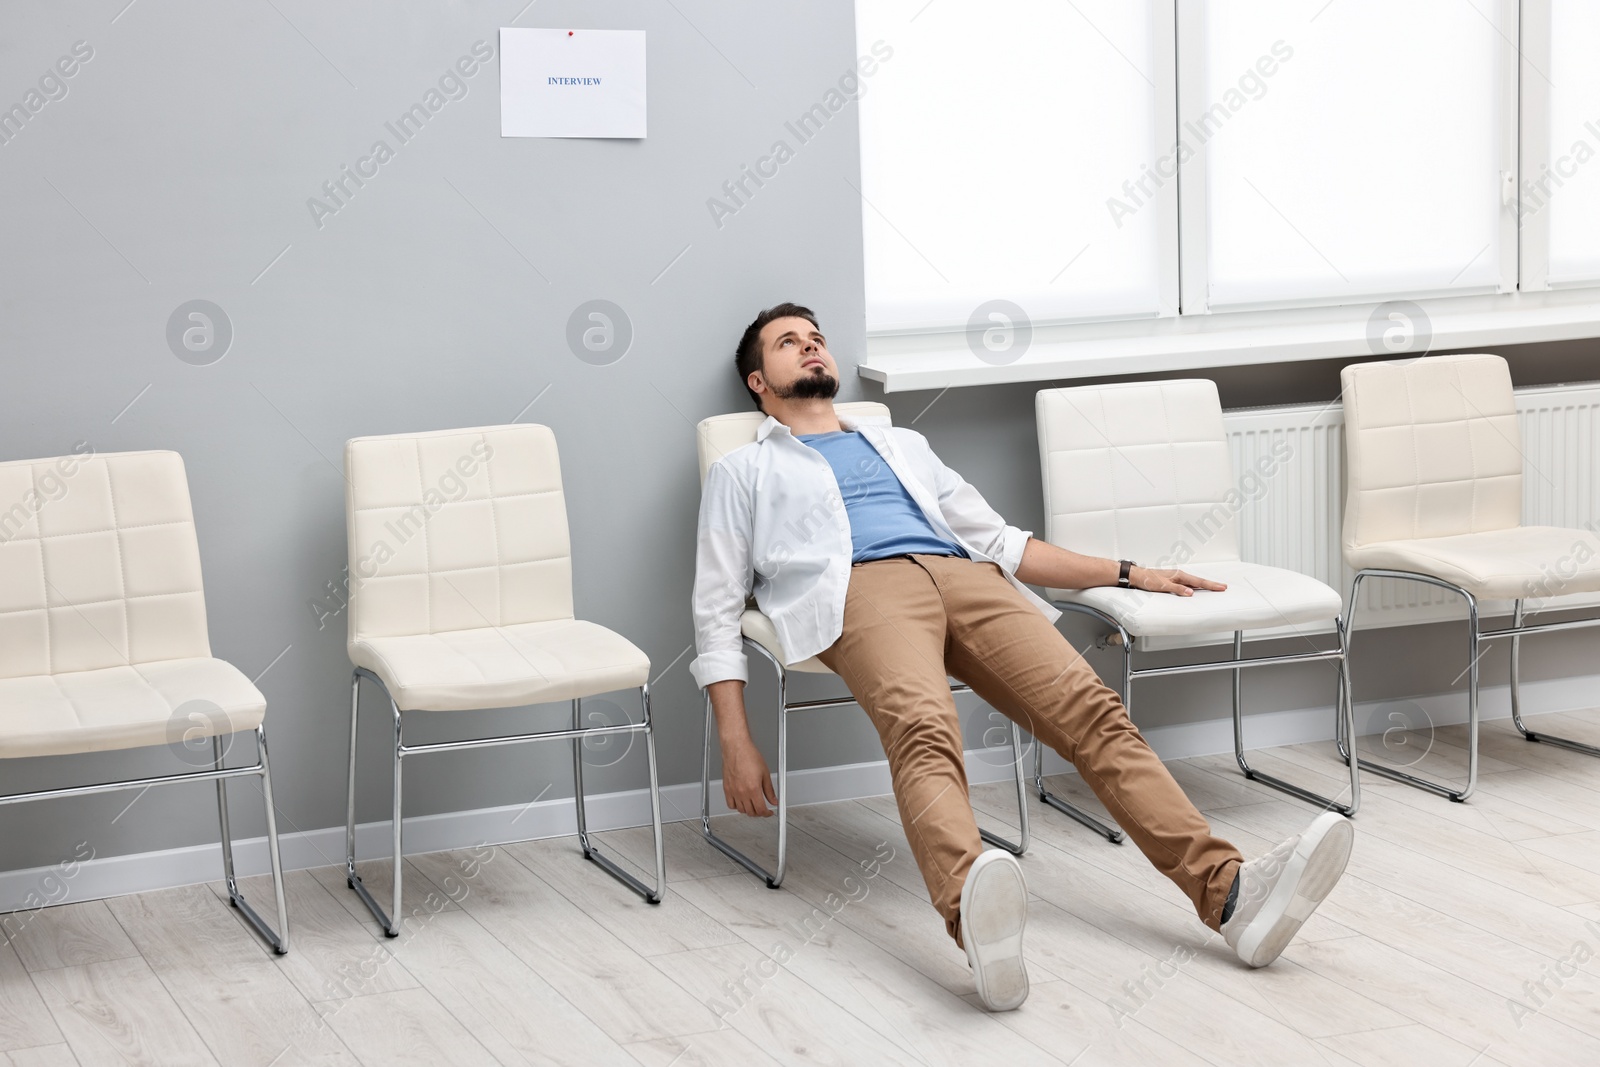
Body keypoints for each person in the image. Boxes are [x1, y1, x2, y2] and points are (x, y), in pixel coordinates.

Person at [690, 302, 1354, 1012]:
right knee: (923, 728)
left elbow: (1008, 544)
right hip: (858, 589)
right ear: (759, 381)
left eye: (817, 338)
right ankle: (974, 918)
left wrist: (1130, 571)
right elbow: (716, 607)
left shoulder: (903, 444)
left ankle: (1231, 897)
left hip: (966, 575)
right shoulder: (744, 470)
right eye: (789, 343)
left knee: (1093, 709)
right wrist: (736, 735)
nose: (811, 348)